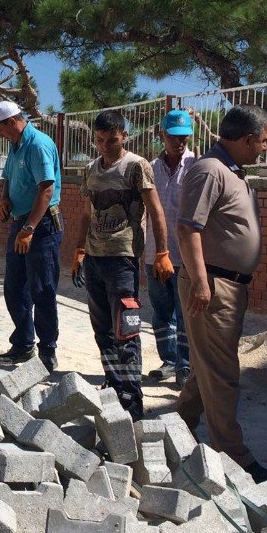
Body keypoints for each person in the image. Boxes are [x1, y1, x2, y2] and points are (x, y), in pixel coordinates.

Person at [175, 104, 267, 483]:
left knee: (208, 366)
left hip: (228, 285)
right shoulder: (210, 170)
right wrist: (202, 282)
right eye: (263, 141)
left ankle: (176, 429)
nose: (264, 148)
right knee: (222, 374)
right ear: (247, 138)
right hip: (213, 286)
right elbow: (187, 229)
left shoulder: (235, 172)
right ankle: (233, 457)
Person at [72, 110, 173, 421]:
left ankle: (132, 396)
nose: (106, 146)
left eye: (112, 140)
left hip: (123, 260)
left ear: (124, 137)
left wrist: (162, 253)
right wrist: (78, 250)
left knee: (126, 330)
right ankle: (113, 385)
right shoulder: (89, 169)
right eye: (100, 141)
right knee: (101, 328)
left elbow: (156, 210)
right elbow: (87, 214)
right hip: (94, 259)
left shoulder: (135, 166)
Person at [0, 100, 63, 372]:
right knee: (14, 287)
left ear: (11, 122)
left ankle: (47, 352)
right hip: (20, 223)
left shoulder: (38, 145)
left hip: (41, 227)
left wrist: (29, 229)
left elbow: (46, 188)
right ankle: (23, 344)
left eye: (0, 129)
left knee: (42, 289)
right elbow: (8, 178)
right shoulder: (16, 146)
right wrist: (4, 200)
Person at [145, 110, 197, 388]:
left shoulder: (197, 166)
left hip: (185, 255)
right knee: (162, 310)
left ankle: (185, 365)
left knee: (185, 312)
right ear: (162, 135)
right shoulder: (150, 168)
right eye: (174, 136)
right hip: (154, 252)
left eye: (184, 136)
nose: (180, 142)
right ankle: (168, 361)